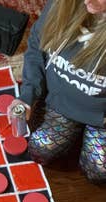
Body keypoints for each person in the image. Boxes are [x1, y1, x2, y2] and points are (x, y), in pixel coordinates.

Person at [8, 0, 106, 183]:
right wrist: (27, 94)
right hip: (60, 103)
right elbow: (37, 46)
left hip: (102, 119)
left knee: (98, 171)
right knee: (40, 150)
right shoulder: (64, 4)